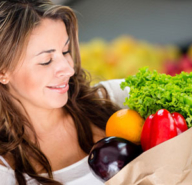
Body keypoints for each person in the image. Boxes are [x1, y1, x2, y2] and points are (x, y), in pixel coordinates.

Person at [0, 0, 129, 184]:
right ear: (3, 71)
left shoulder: (116, 100)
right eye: (46, 60)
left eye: (66, 51)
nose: (69, 70)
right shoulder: (4, 173)